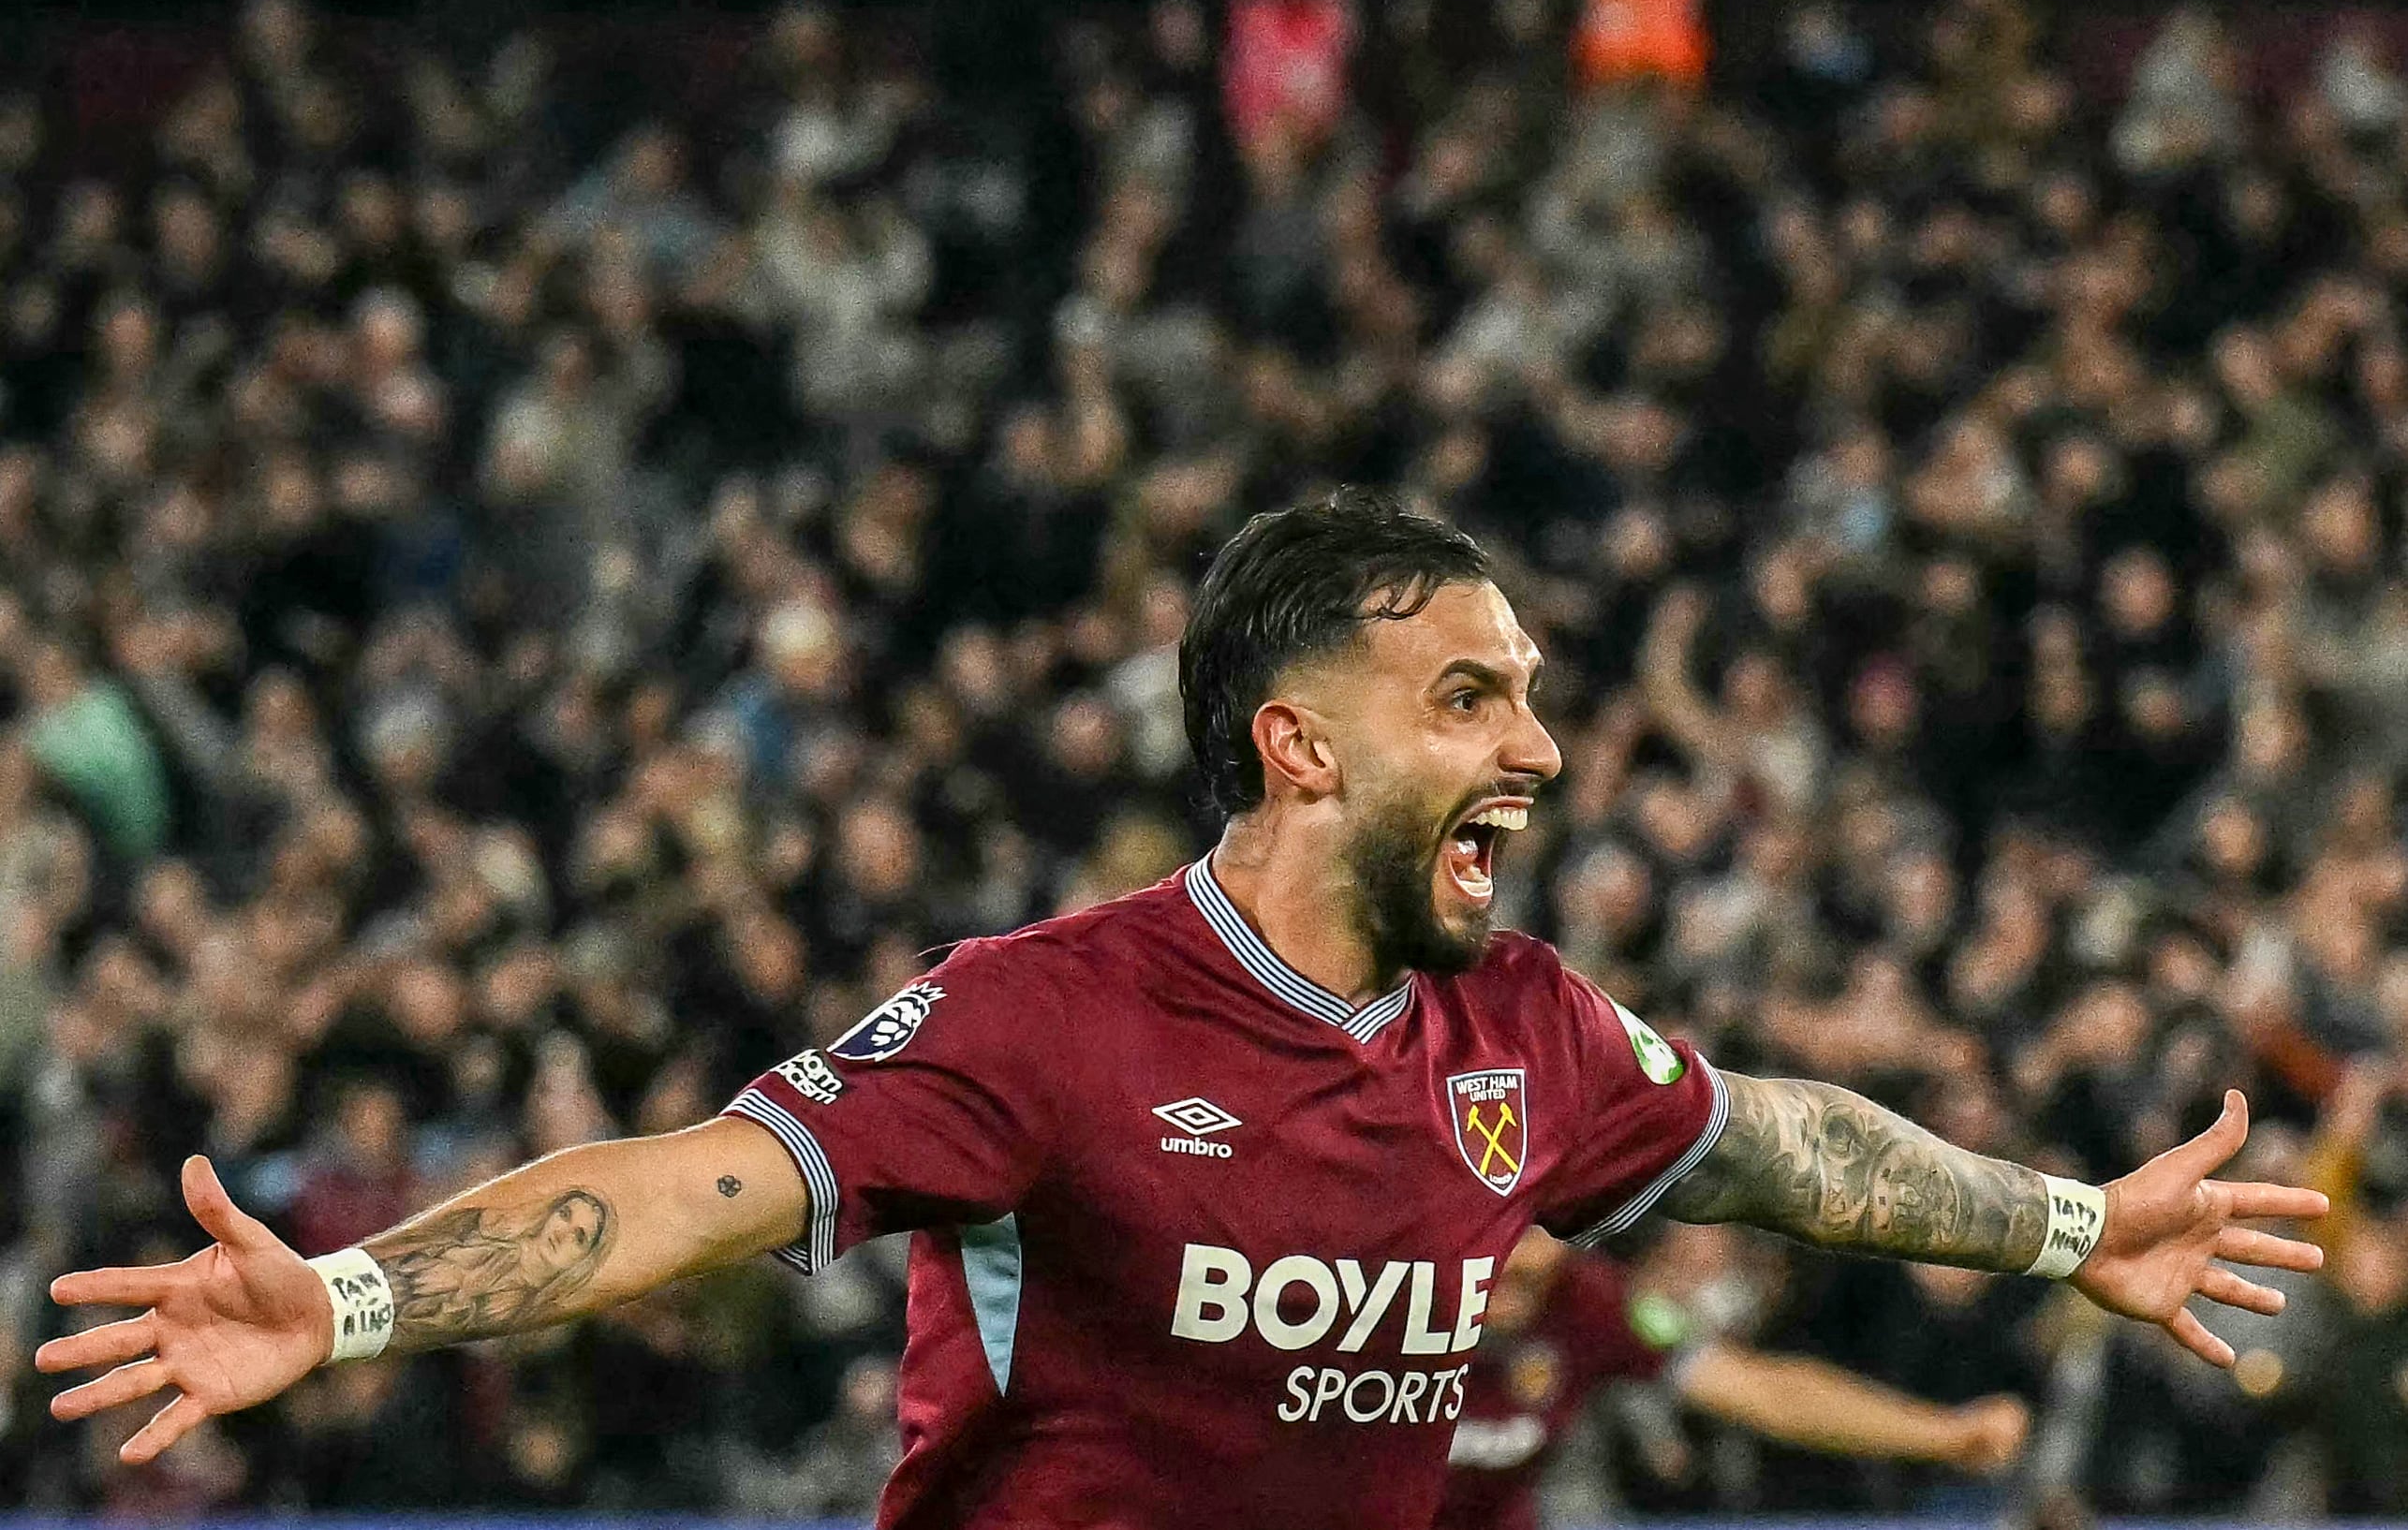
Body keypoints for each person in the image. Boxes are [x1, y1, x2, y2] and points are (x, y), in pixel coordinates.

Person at [33, 494, 2327, 1529]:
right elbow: (686, 1188)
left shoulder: (1522, 1024)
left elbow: (1776, 1142)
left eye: (1530, 691)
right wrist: (341, 1296)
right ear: (1298, 742)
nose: (1534, 743)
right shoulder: (1038, 1015)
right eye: (1468, 691)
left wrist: (2058, 1222)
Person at [1437, 1228, 2029, 1530]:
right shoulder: (1356, 1295)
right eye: (1489, 1234)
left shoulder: (1593, 1302)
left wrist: (1946, 1434)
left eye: (1538, 1234)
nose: (1513, 1260)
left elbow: (1761, 1390)